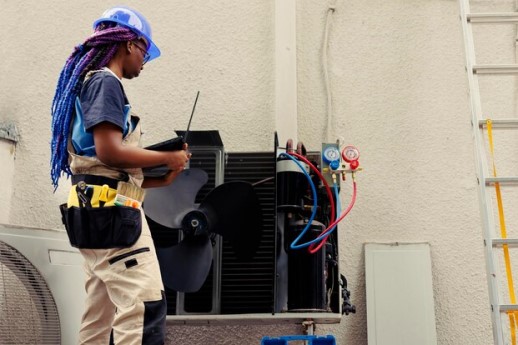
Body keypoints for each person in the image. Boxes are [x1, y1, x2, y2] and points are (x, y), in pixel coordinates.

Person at [50, 6, 189, 345]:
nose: (144, 61)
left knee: (99, 318)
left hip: (97, 215)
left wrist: (156, 178)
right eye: (145, 51)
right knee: (143, 304)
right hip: (114, 223)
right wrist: (168, 156)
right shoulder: (104, 82)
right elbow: (109, 150)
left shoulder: (89, 82)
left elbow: (99, 165)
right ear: (129, 43)